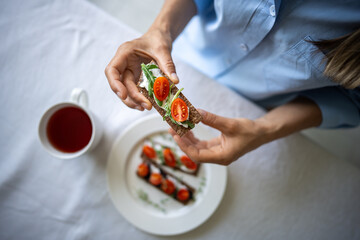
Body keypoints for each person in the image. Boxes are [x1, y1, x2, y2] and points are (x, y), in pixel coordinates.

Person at [105, 0, 360, 165]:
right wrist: (161, 30)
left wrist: (264, 130)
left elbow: (352, 99)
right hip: (180, 55)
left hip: (252, 110)